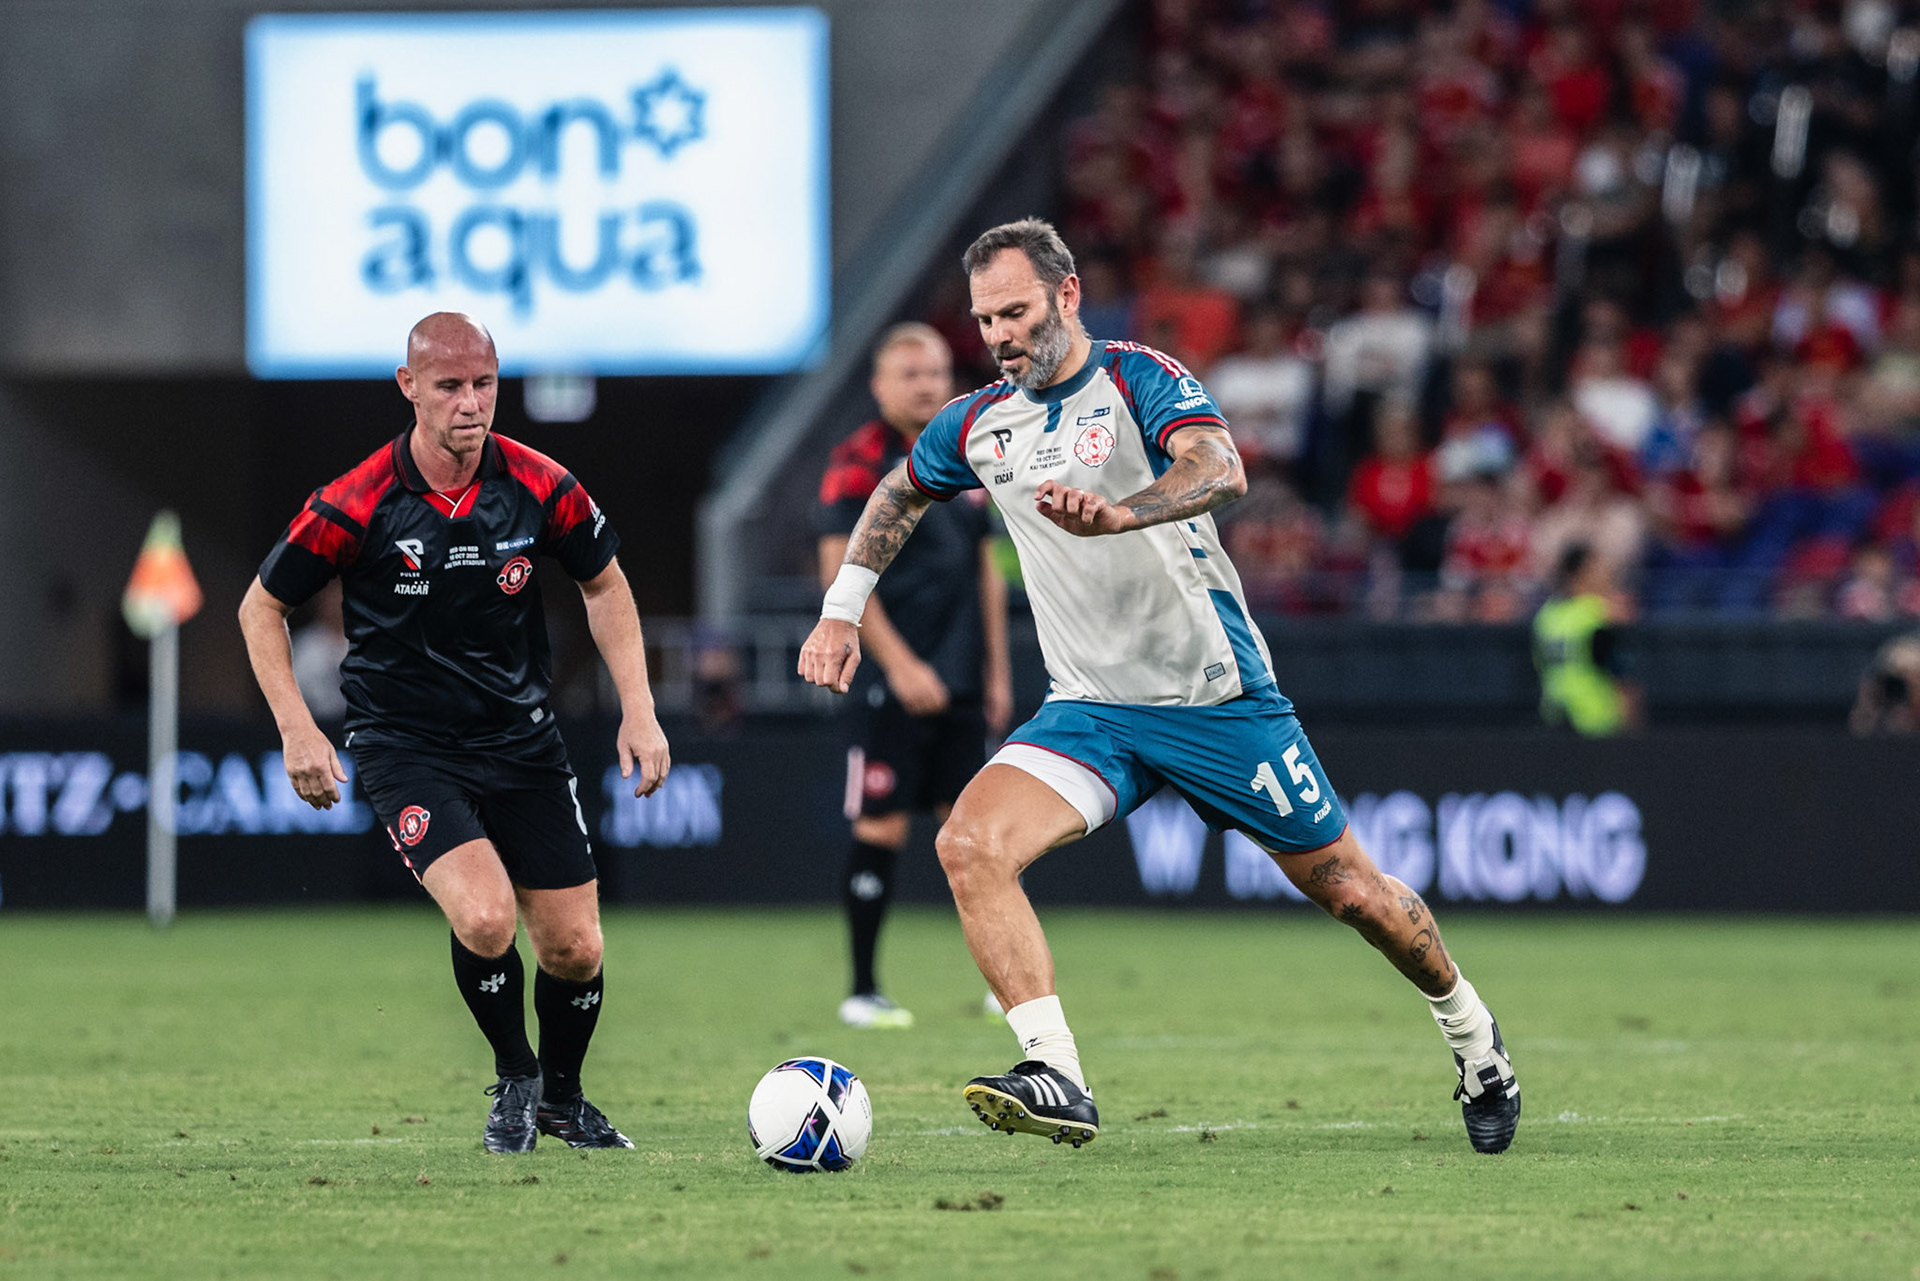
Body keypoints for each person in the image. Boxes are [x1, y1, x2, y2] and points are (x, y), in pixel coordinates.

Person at [799, 220, 1520, 1155]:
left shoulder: (1139, 377)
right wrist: (842, 606)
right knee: (970, 845)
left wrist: (1119, 514)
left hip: (1215, 699)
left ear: (1067, 296)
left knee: (1353, 893)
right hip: (1091, 708)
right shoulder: (980, 420)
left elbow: (1222, 467)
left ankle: (1473, 1037)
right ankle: (1055, 1070)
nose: (1000, 336)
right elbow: (898, 492)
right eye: (984, 321)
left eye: (1015, 312)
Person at [238, 312, 669, 1154]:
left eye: (484, 384)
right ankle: (516, 1074)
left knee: (576, 946)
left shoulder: (542, 483)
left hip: (524, 739)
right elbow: (262, 607)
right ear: (409, 387)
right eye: (449, 386)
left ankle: (564, 1100)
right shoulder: (355, 499)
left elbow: (606, 586)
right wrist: (297, 727)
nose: (471, 403)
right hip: (407, 747)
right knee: (482, 916)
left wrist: (640, 706)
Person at [815, 323, 1013, 1028]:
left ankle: (1004, 979)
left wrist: (995, 669)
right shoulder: (856, 462)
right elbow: (841, 574)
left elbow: (987, 570)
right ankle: (863, 988)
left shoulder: (971, 452)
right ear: (879, 385)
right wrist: (899, 668)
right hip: (887, 683)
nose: (927, 384)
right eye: (910, 374)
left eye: (934, 372)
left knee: (977, 835)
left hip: (960, 677)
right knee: (882, 826)